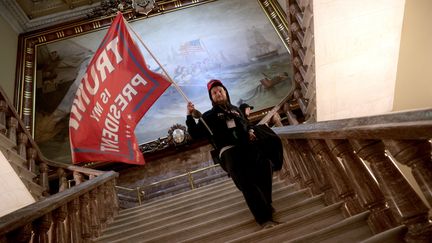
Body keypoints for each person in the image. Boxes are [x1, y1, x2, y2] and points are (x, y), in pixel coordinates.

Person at [186, 79, 279, 229]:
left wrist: (250, 131)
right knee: (247, 182)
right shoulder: (208, 116)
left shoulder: (236, 109)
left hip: (248, 148)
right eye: (214, 93)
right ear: (212, 98)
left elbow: (247, 124)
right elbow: (195, 134)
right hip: (229, 152)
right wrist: (189, 116)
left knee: (266, 165)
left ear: (226, 93)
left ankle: (266, 202)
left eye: (220, 91)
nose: (218, 93)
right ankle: (265, 219)